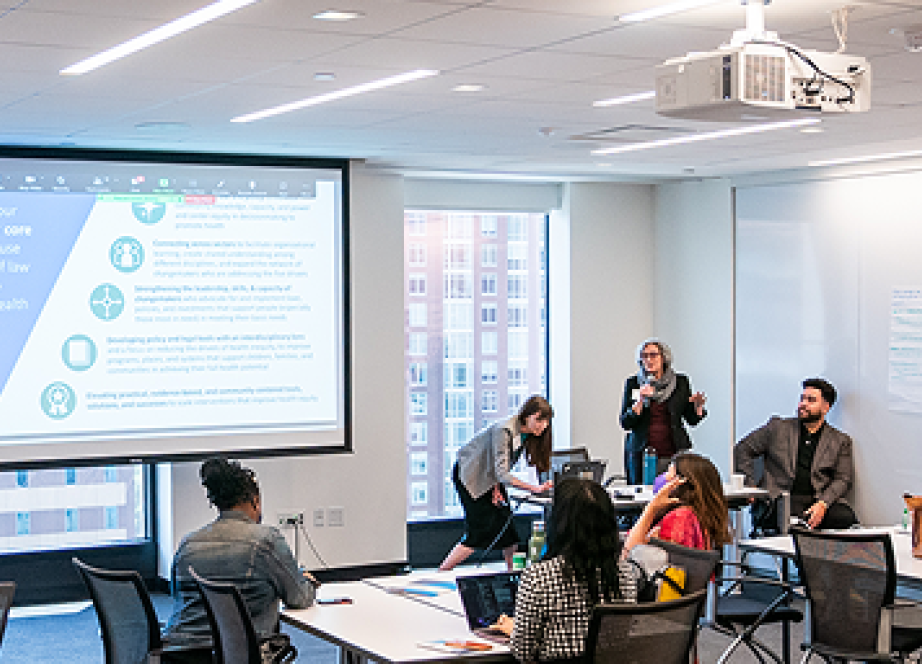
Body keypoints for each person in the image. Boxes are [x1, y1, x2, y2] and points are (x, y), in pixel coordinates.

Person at [162, 457, 317, 663]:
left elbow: (177, 596)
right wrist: (307, 580)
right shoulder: (265, 541)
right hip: (236, 654)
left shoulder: (188, 543)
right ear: (255, 500)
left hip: (178, 655)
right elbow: (298, 598)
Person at [490, 478, 638, 663]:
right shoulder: (624, 574)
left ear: (558, 523)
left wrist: (514, 630)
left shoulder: (538, 578)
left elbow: (523, 653)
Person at [439, 395, 554, 571]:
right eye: (539, 420)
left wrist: (495, 488)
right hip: (471, 476)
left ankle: (513, 575)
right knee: (478, 531)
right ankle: (443, 570)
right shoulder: (505, 430)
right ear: (527, 415)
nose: (542, 426)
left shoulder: (527, 434)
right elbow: (502, 473)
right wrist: (535, 488)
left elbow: (498, 465)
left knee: (508, 532)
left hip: (490, 477)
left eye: (545, 421)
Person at [734, 377, 857, 531]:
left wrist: (823, 504)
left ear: (826, 407)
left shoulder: (840, 441)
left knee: (845, 518)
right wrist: (749, 484)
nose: (803, 404)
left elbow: (843, 479)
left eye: (811, 400)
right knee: (788, 521)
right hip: (779, 500)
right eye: (802, 398)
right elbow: (743, 449)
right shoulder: (778, 428)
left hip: (816, 500)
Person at [620, 339, 707, 485]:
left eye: (653, 355)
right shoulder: (634, 383)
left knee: (676, 496)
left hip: (673, 452)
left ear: (664, 357)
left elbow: (691, 420)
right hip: (642, 454)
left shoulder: (680, 382)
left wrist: (698, 407)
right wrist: (640, 401)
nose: (648, 360)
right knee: (644, 498)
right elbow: (625, 422)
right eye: (644, 356)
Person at [623, 451, 732, 553]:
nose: (663, 478)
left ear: (679, 483)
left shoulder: (679, 518)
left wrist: (651, 508)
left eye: (668, 473)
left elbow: (629, 552)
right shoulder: (699, 514)